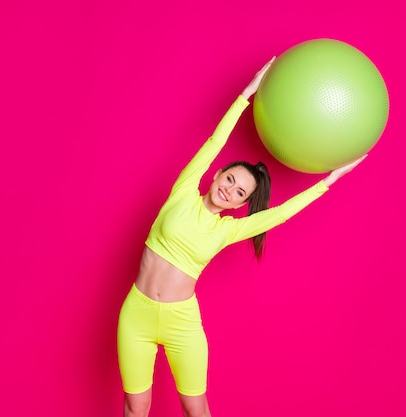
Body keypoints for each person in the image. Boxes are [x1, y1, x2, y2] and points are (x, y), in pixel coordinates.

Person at [116, 58, 366, 417]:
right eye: (229, 180)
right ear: (217, 174)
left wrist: (329, 181)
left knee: (195, 407)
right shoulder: (184, 191)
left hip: (181, 322)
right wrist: (247, 94)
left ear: (241, 206)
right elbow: (216, 140)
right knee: (135, 407)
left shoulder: (228, 229)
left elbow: (280, 214)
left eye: (239, 193)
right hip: (136, 313)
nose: (229, 191)